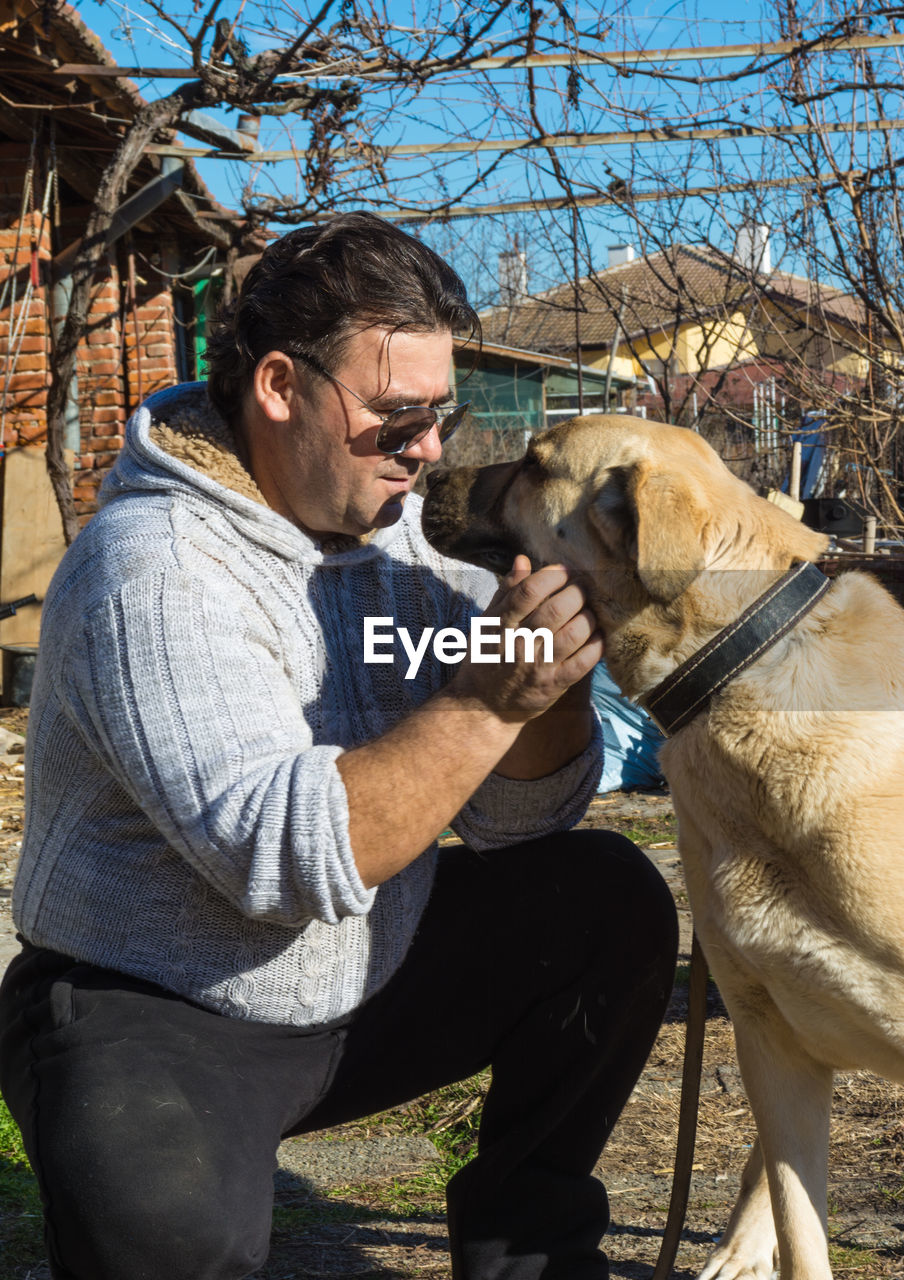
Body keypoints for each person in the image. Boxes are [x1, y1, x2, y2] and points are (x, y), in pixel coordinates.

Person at [0, 212, 677, 1280]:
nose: (429, 449)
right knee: (172, 1239)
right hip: (159, 1006)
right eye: (398, 417)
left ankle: (532, 1253)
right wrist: (485, 702)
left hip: (365, 970)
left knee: (604, 897)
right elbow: (283, 859)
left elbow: (520, 815)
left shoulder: (400, 531)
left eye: (440, 415)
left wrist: (547, 686)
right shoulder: (156, 569)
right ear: (279, 386)